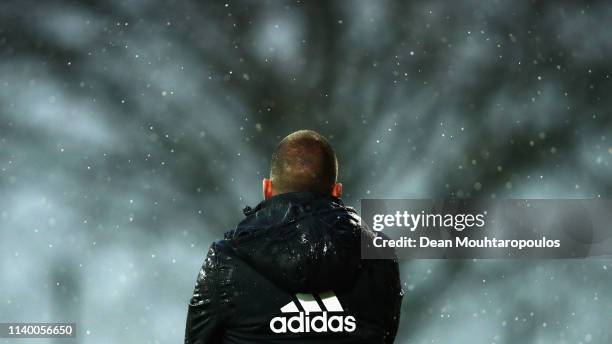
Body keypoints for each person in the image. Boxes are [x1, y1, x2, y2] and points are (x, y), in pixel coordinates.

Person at [184, 130, 402, 343]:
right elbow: (384, 333)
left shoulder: (227, 259)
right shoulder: (378, 253)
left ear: (267, 189)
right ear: (337, 191)